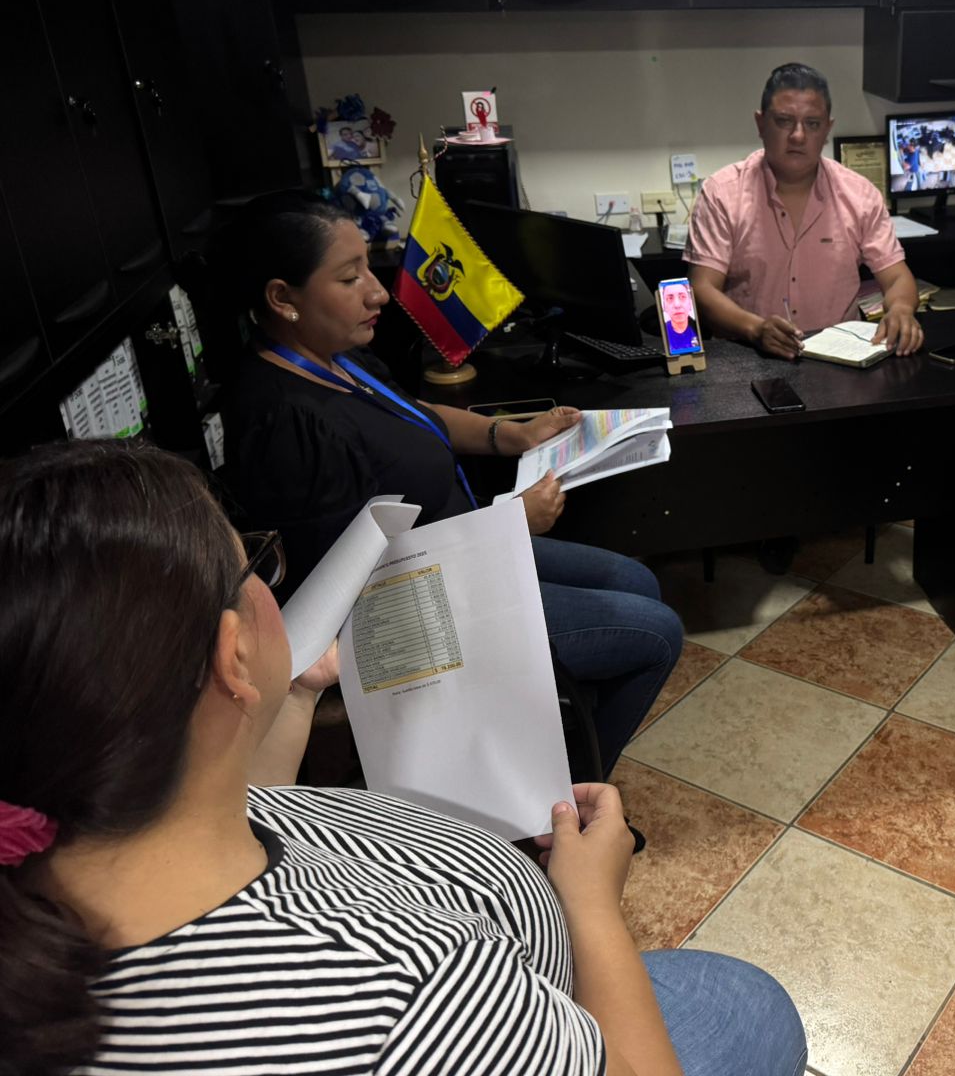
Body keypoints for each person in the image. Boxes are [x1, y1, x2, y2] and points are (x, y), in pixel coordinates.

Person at [0, 441, 807, 1075]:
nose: (267, 581)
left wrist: (296, 696)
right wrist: (591, 902)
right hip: (536, 1005)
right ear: (231, 654)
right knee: (749, 1004)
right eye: (254, 564)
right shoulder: (408, 995)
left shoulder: (87, 851)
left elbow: (243, 801)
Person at [218, 192, 681, 776]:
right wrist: (509, 522)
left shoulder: (337, 354)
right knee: (657, 634)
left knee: (635, 578)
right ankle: (561, 797)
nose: (378, 292)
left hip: (457, 552)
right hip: (408, 613)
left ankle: (539, 730)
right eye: (350, 277)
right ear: (283, 298)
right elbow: (353, 587)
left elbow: (410, 413)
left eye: (368, 268)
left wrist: (508, 434)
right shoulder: (284, 422)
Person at [686, 62, 924, 359]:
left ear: (827, 129)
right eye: (784, 121)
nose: (798, 135)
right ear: (760, 124)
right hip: (748, 357)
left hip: (841, 360)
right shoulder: (722, 193)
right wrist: (755, 329)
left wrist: (901, 309)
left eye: (812, 124)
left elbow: (898, 278)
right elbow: (701, 288)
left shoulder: (859, 195)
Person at [659, 280, 701, 353]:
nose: (677, 305)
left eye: (683, 297)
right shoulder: (662, 332)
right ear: (664, 306)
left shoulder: (698, 329)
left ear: (690, 303)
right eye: (670, 298)